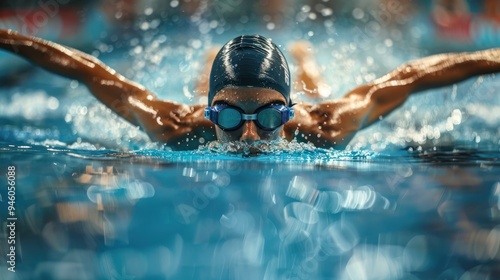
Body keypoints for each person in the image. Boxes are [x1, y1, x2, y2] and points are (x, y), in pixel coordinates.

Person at [1, 28, 500, 151]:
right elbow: (91, 72)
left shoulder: (325, 125)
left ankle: (303, 61)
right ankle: (207, 72)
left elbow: (413, 77)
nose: (247, 140)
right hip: (206, 93)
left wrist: (491, 58)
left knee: (325, 89)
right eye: (228, 118)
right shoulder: (175, 124)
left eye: (267, 120)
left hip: (310, 97)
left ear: (288, 112)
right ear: (208, 113)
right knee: (199, 87)